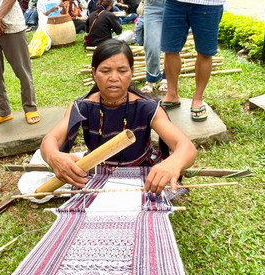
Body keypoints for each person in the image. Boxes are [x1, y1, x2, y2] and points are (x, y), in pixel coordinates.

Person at [40, 39, 197, 194]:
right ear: (94, 73)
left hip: (141, 172)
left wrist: (172, 163)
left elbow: (186, 147)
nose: (114, 78)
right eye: (105, 71)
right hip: (96, 172)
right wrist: (54, 156)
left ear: (131, 72)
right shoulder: (83, 106)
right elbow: (50, 139)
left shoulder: (147, 107)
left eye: (122, 71)